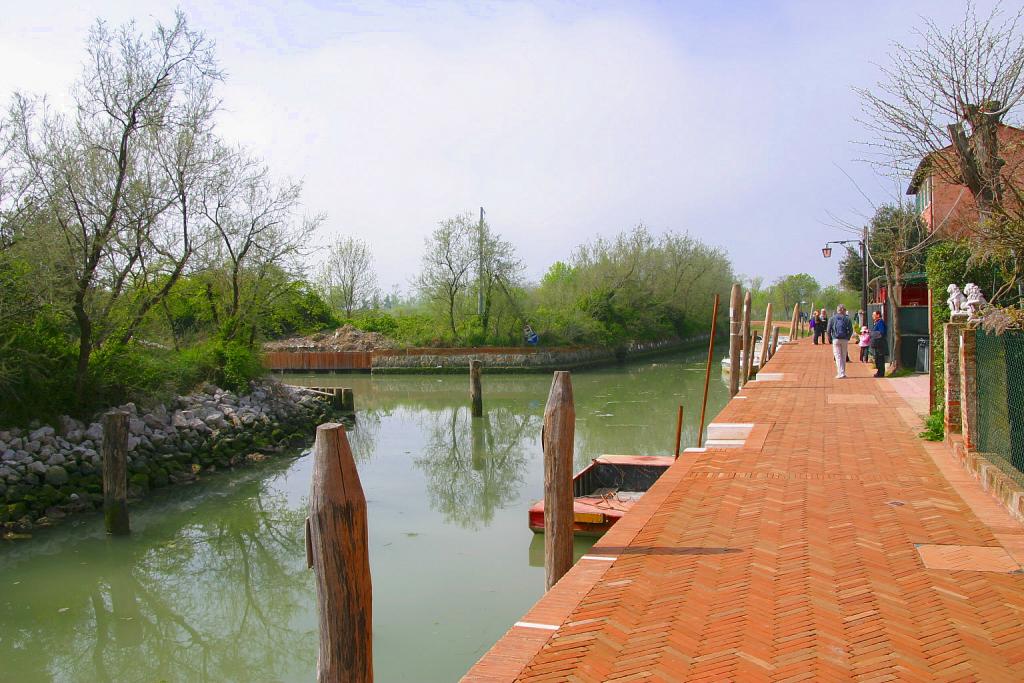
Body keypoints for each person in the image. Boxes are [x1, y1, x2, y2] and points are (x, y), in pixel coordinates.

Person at [827, 304, 853, 379]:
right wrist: (848, 337)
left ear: (837, 310)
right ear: (843, 310)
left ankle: (840, 373)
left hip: (835, 339)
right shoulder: (847, 319)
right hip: (844, 339)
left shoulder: (832, 318)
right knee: (843, 356)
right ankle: (843, 373)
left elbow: (828, 330)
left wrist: (830, 339)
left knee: (837, 356)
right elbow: (851, 330)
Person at [870, 310, 887, 378]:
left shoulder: (880, 322)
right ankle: (879, 371)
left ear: (878, 315)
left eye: (873, 314)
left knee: (880, 358)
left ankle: (881, 373)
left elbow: (881, 332)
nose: (872, 316)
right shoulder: (877, 322)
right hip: (877, 344)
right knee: (877, 358)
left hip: (880, 343)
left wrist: (872, 333)